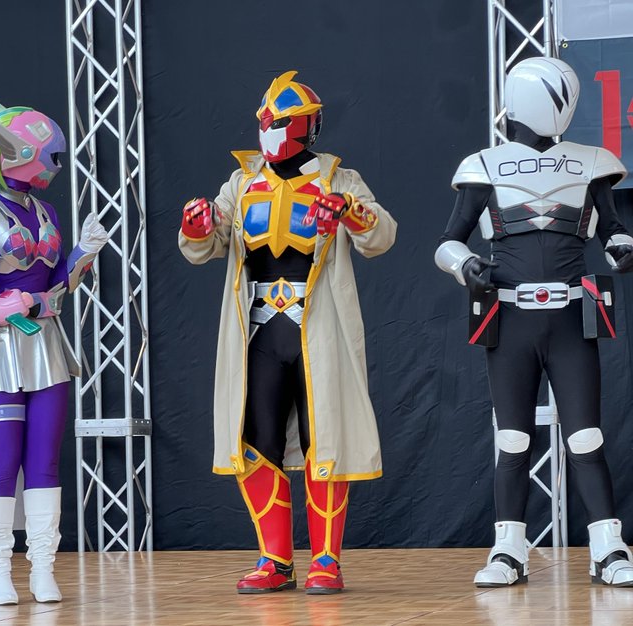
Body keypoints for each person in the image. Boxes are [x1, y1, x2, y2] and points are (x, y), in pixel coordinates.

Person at [179, 71, 396, 594]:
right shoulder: (241, 183)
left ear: (307, 127)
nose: (269, 131)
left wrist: (351, 213)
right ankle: (275, 559)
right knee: (256, 440)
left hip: (317, 327)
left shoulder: (339, 180)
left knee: (327, 440)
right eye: (266, 121)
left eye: (279, 122)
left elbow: (381, 236)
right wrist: (197, 225)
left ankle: (325, 559)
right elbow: (206, 245)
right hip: (258, 329)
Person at [435, 57, 633, 587]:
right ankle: (508, 548)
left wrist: (621, 247)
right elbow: (449, 242)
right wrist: (465, 265)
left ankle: (608, 546)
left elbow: (613, 229)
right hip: (512, 317)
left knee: (585, 436)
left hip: (570, 315)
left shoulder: (592, 164)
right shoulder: (484, 166)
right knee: (513, 439)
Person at [0, 95, 108, 605]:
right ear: (13, 154)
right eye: (47, 155)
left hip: (44, 347)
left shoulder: (45, 211)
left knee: (44, 462)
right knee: (2, 462)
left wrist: (83, 253)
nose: (53, 164)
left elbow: (58, 286)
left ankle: (43, 566)